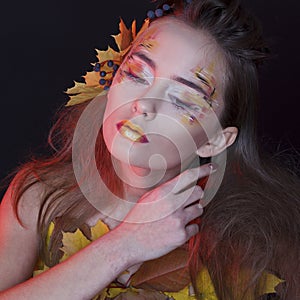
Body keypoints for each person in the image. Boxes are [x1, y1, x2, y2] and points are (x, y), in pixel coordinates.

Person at [0, 0, 299, 299]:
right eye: (136, 74)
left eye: (182, 99)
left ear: (215, 140)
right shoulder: (36, 197)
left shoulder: (260, 247)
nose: (143, 103)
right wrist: (124, 245)